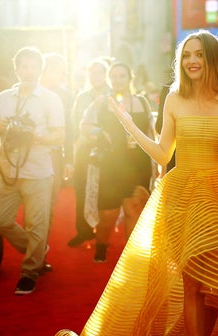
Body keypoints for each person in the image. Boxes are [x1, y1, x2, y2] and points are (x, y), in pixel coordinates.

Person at [24, 30, 218, 336]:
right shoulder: (174, 97)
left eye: (198, 55)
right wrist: (129, 126)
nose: (191, 61)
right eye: (185, 55)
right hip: (182, 196)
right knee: (192, 283)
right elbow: (163, 153)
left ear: (211, 59)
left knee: (217, 287)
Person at [0, 46, 65, 295]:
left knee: (36, 225)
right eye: (24, 66)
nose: (28, 71)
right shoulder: (4, 98)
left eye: (33, 66)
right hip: (8, 171)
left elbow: (60, 135)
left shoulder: (51, 99)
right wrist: (5, 128)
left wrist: (36, 135)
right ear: (16, 69)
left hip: (38, 172)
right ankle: (37, 250)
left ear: (40, 69)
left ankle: (30, 271)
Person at [79, 62, 156, 263]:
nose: (117, 80)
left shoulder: (142, 102)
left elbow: (150, 132)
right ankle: (101, 245)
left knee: (134, 210)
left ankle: (131, 258)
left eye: (122, 76)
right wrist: (100, 133)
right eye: (114, 76)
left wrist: (156, 163)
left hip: (137, 164)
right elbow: (84, 126)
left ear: (130, 78)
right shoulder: (101, 102)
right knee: (107, 215)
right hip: (111, 165)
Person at [66, 58, 111, 248]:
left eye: (99, 72)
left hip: (108, 150)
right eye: (92, 73)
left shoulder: (113, 94)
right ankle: (83, 231)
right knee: (82, 189)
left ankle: (103, 234)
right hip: (85, 148)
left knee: (105, 191)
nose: (95, 76)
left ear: (105, 74)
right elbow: (75, 123)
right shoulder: (82, 96)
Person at [41, 52, 75, 264]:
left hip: (54, 155)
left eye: (63, 72)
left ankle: (40, 253)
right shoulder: (31, 91)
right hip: (28, 156)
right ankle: (35, 248)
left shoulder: (64, 94)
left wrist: (69, 159)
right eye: (58, 72)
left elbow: (69, 128)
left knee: (48, 205)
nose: (61, 77)